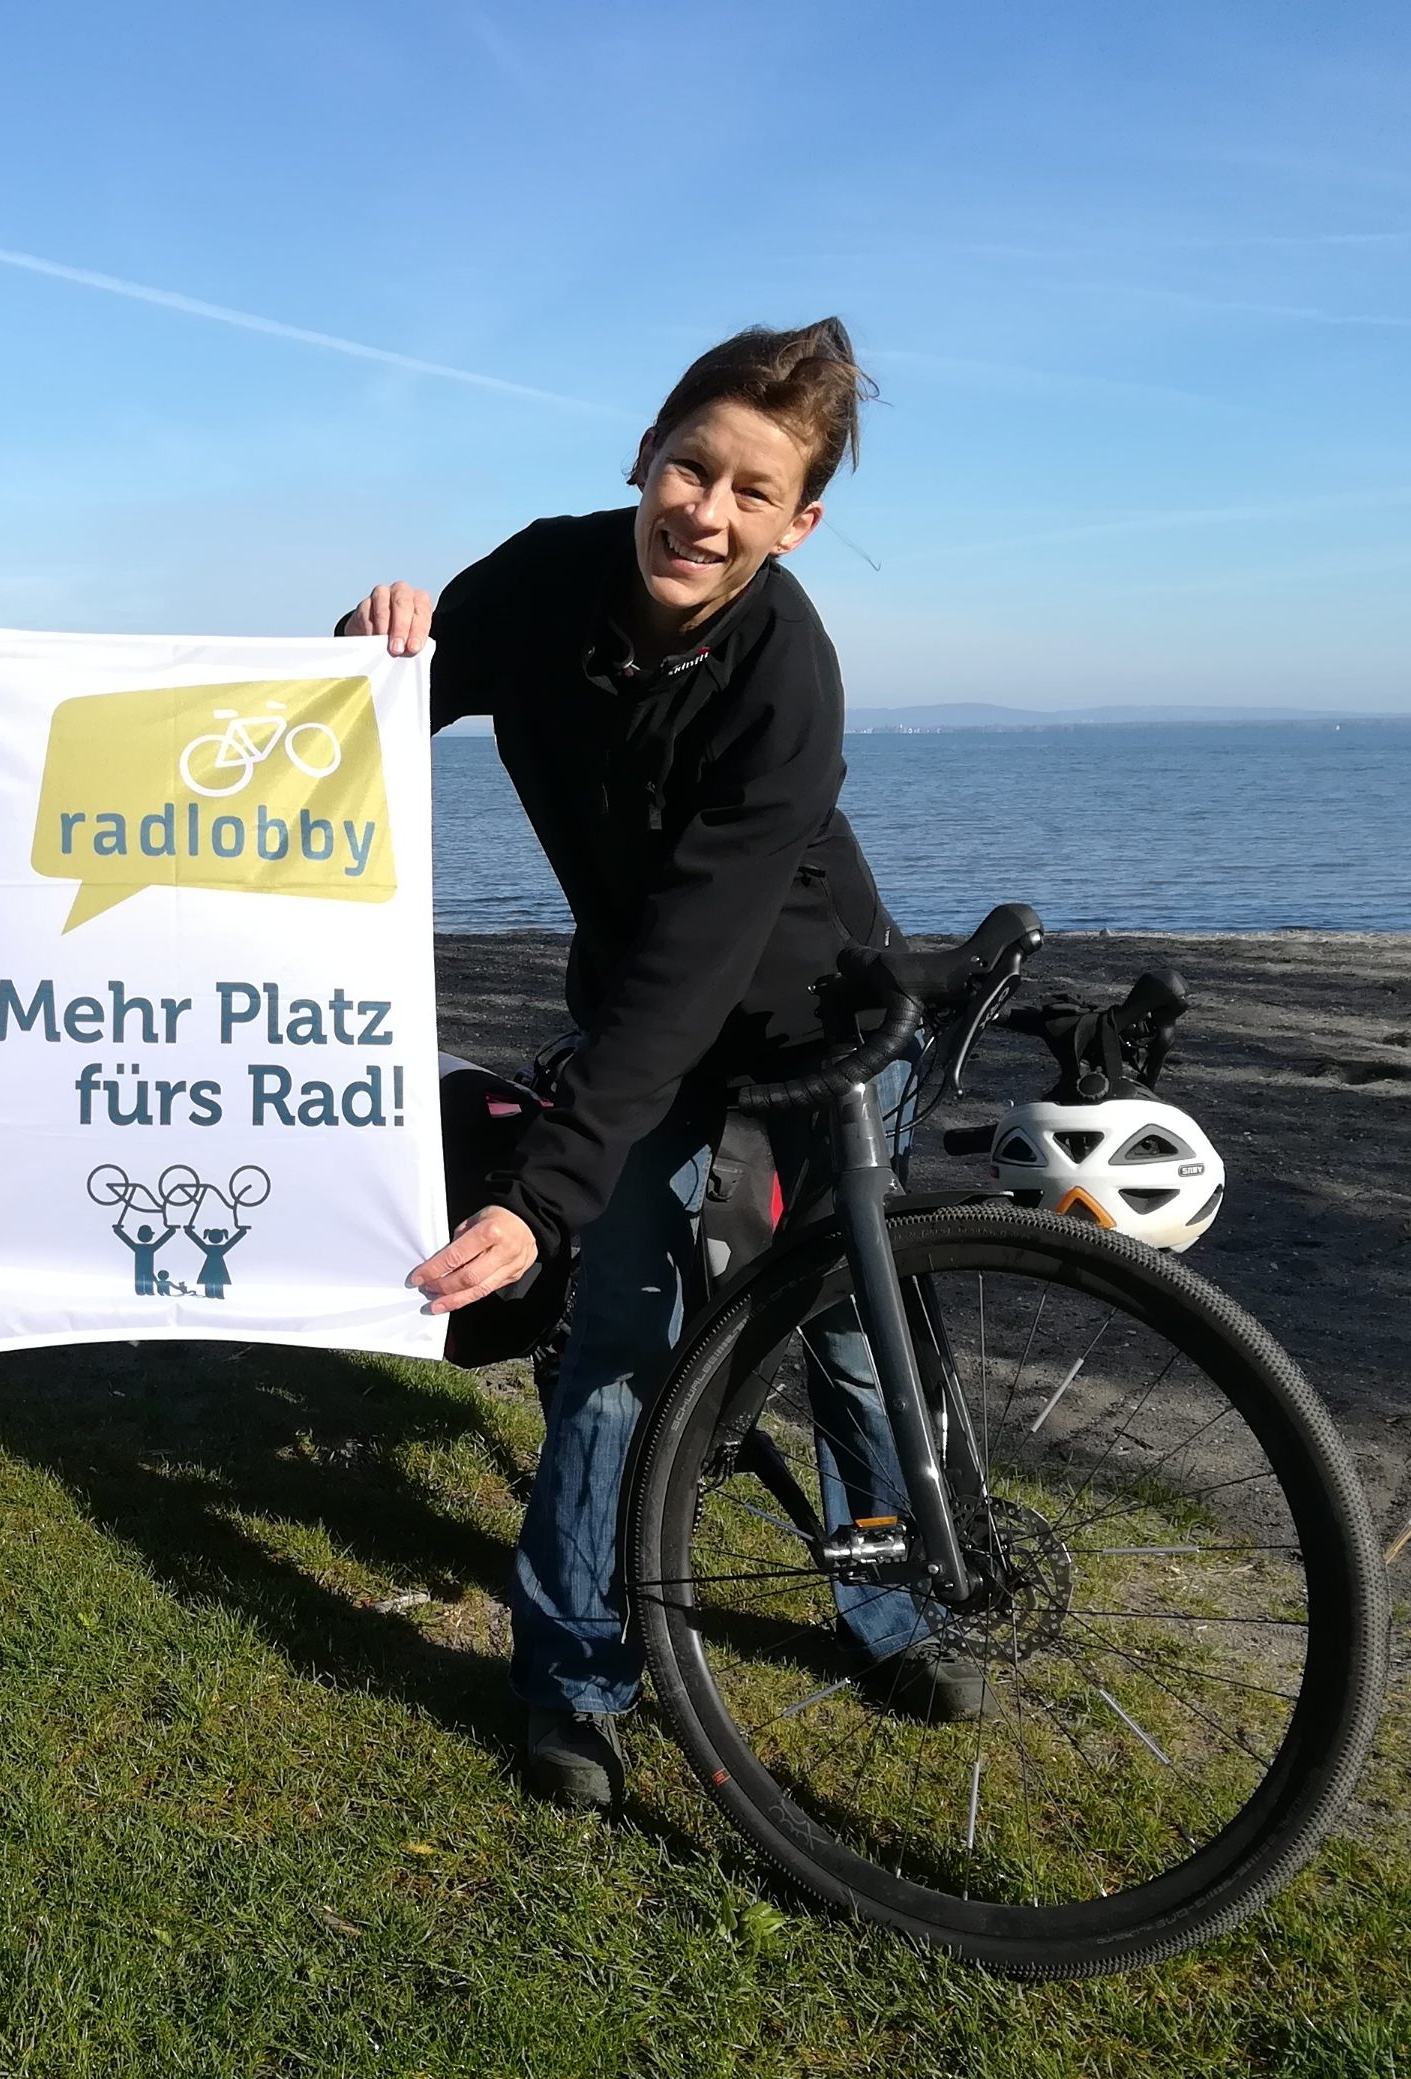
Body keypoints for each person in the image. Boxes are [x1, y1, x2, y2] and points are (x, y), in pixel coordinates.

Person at [338, 319, 979, 1814]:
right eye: (691, 466)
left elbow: (701, 953)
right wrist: (368, 650)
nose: (707, 510)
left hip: (819, 1024)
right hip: (640, 1026)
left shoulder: (785, 681)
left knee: (848, 1344)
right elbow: (335, 747)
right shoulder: (543, 581)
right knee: (619, 1348)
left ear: (800, 522)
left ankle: (890, 1608)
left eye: (754, 494)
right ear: (645, 455)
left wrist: (543, 1188)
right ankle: (576, 1678)